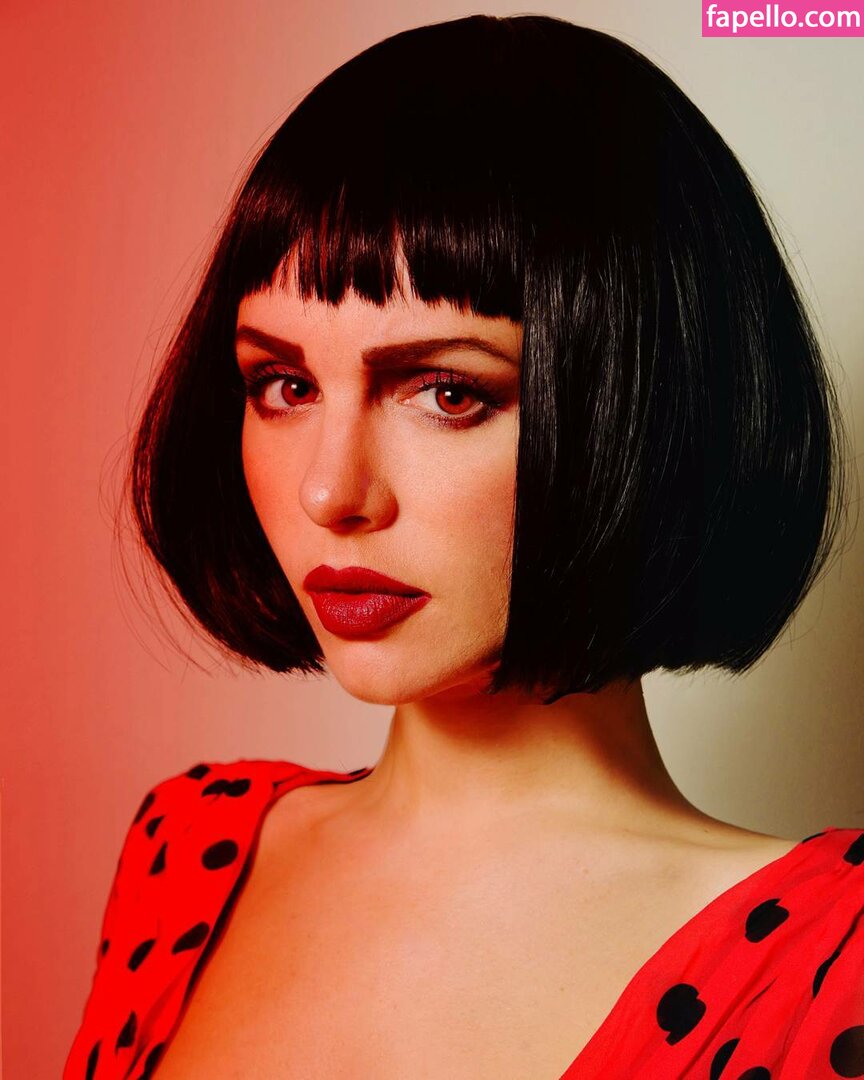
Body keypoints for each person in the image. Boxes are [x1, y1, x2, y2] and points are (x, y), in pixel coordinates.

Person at [64, 13, 859, 1080]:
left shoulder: (829, 963)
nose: (329, 491)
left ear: (648, 413)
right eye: (285, 385)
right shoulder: (188, 851)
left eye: (447, 392)